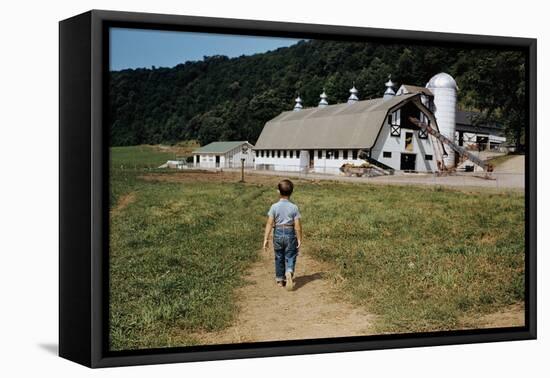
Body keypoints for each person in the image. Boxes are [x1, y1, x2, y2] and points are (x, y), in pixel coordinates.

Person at [262, 179, 302, 291]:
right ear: (291, 192)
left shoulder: (274, 207)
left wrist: (266, 238)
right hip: (290, 233)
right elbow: (297, 226)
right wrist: (299, 238)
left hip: (278, 233)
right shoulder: (294, 207)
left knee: (279, 256)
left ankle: (280, 280)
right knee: (291, 255)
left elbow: (269, 223)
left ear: (278, 192)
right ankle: (289, 271)